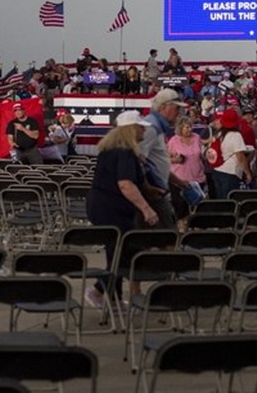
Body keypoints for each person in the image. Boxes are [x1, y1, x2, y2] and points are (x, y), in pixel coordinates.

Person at [85, 111, 158, 308]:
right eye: (141, 127)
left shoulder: (110, 150)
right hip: (111, 208)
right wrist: (146, 208)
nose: (144, 130)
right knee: (122, 251)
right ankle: (102, 292)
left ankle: (111, 297)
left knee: (116, 251)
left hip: (101, 206)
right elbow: (125, 184)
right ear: (131, 129)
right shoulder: (124, 153)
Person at [140, 89, 188, 228]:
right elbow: (138, 162)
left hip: (156, 192)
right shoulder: (151, 128)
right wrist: (148, 188)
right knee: (167, 240)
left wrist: (180, 182)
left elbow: (157, 164)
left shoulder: (156, 126)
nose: (179, 112)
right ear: (163, 107)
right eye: (176, 107)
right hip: (152, 195)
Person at [168, 117, 206, 222]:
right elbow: (166, 158)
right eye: (187, 127)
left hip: (197, 179)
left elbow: (201, 155)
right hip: (179, 180)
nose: (190, 129)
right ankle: (181, 231)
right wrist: (175, 159)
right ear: (180, 128)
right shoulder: (173, 141)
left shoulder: (197, 138)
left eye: (191, 127)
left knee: (197, 209)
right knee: (181, 209)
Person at [211, 109, 253, 199]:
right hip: (230, 173)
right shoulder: (236, 135)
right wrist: (248, 173)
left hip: (217, 170)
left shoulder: (219, 134)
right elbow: (240, 157)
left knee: (221, 200)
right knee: (229, 202)